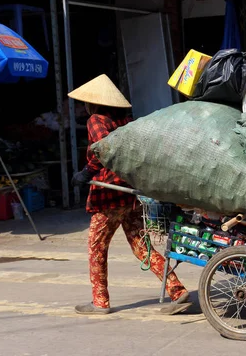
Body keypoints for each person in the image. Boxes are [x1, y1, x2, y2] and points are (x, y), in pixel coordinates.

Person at [69, 74, 191, 315]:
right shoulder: (126, 121)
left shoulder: (96, 120)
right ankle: (176, 289)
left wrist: (86, 172)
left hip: (108, 196)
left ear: (93, 103)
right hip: (128, 193)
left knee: (96, 248)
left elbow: (104, 148)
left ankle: (100, 302)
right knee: (141, 245)